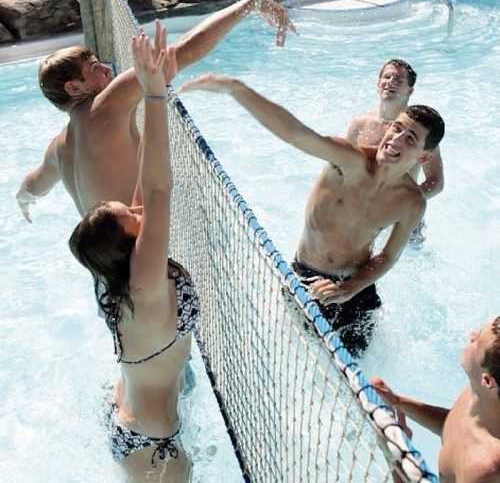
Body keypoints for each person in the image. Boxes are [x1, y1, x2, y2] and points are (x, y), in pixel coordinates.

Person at [179, 73, 445, 356]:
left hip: (358, 291)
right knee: (303, 358)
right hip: (308, 278)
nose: (395, 139)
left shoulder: (411, 202)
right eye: (397, 128)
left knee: (353, 378)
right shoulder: (349, 160)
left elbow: (388, 256)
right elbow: (295, 133)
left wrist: (352, 287)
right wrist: (236, 89)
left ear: (424, 157)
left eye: (410, 138)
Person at [16, 0, 293, 221]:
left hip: (103, 271)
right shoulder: (107, 105)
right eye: (93, 68)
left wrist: (23, 202)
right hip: (140, 263)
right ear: (74, 88)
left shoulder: (57, 148)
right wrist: (252, 3)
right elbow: (184, 52)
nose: (105, 68)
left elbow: (32, 187)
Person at [70, 34, 195, 481]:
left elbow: (148, 184)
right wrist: (155, 95)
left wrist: (152, 87)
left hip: (131, 414)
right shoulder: (142, 280)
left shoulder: (125, 274)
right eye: (130, 214)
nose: (138, 207)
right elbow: (160, 191)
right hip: (151, 446)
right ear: (128, 244)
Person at [372, 317, 500, 483]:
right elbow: (455, 427)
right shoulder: (479, 393)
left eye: (477, 342)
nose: (472, 335)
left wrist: (396, 455)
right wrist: (398, 402)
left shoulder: (484, 470)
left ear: (488, 381)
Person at [346, 59, 444, 245]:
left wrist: (401, 203)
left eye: (398, 80)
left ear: (410, 91)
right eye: (387, 76)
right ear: (378, 83)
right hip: (362, 213)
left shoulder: (419, 133)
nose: (390, 82)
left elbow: (436, 182)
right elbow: (341, 168)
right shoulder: (359, 125)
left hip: (402, 218)